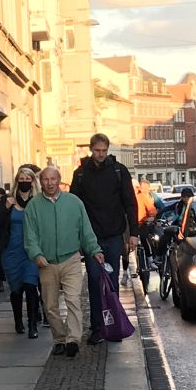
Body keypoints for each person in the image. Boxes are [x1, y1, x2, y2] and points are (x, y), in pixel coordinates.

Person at [23, 165, 103, 357]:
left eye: (53, 179)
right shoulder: (33, 206)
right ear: (40, 182)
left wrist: (94, 249)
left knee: (73, 299)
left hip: (71, 259)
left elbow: (85, 229)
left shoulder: (74, 202)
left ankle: (73, 340)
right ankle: (59, 339)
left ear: (59, 180)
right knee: (50, 305)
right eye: (46, 179)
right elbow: (30, 235)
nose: (50, 183)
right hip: (47, 262)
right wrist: (36, 254)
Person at [70, 134, 137, 324]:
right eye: (97, 150)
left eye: (104, 151)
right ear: (91, 150)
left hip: (114, 235)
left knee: (112, 280)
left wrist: (133, 233)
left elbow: (130, 203)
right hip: (91, 238)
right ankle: (97, 325)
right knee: (94, 280)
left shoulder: (119, 171)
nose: (100, 154)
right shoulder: (81, 173)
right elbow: (74, 207)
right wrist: (77, 237)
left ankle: (113, 323)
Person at [0, 165, 44, 339]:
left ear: (33, 181)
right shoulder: (8, 200)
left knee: (31, 286)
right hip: (11, 251)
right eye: (21, 179)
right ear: (17, 181)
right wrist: (5, 208)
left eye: (27, 179)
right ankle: (18, 321)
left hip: (31, 251)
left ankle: (32, 325)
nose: (24, 182)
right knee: (16, 290)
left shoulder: (38, 201)